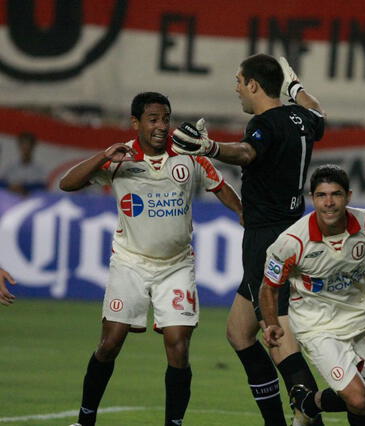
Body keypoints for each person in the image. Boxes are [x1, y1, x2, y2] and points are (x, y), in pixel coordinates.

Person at [59, 91, 242, 426]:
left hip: (176, 265)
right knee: (110, 344)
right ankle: (85, 419)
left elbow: (221, 187)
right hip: (129, 263)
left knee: (178, 346)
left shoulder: (189, 155)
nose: (161, 126)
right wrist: (102, 156)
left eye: (166, 118)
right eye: (153, 119)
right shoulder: (119, 159)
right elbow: (66, 184)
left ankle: (173, 423)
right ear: (136, 122)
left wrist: (244, 215)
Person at [172, 54, 326, 426]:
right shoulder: (302, 118)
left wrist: (208, 148)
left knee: (278, 337)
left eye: (239, 81)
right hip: (290, 231)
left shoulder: (265, 123)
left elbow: (246, 152)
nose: (236, 87)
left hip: (267, 242)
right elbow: (319, 112)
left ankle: (313, 416)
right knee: (240, 333)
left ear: (254, 84)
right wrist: (296, 88)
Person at [260, 165, 365, 426]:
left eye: (336, 194)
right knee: (359, 401)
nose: (329, 203)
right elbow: (268, 287)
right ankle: (309, 404)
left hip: (359, 320)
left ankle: (308, 404)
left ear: (349, 196)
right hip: (318, 326)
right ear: (312, 198)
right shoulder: (292, 242)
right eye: (321, 195)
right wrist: (272, 323)